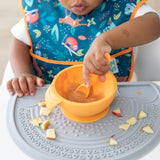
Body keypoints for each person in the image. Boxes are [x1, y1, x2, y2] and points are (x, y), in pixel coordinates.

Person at [7, 0, 160, 97]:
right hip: (49, 95)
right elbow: (20, 41)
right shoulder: (42, 6)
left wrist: (107, 40)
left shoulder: (120, 4)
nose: (78, 0)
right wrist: (23, 73)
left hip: (117, 95)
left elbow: (154, 24)